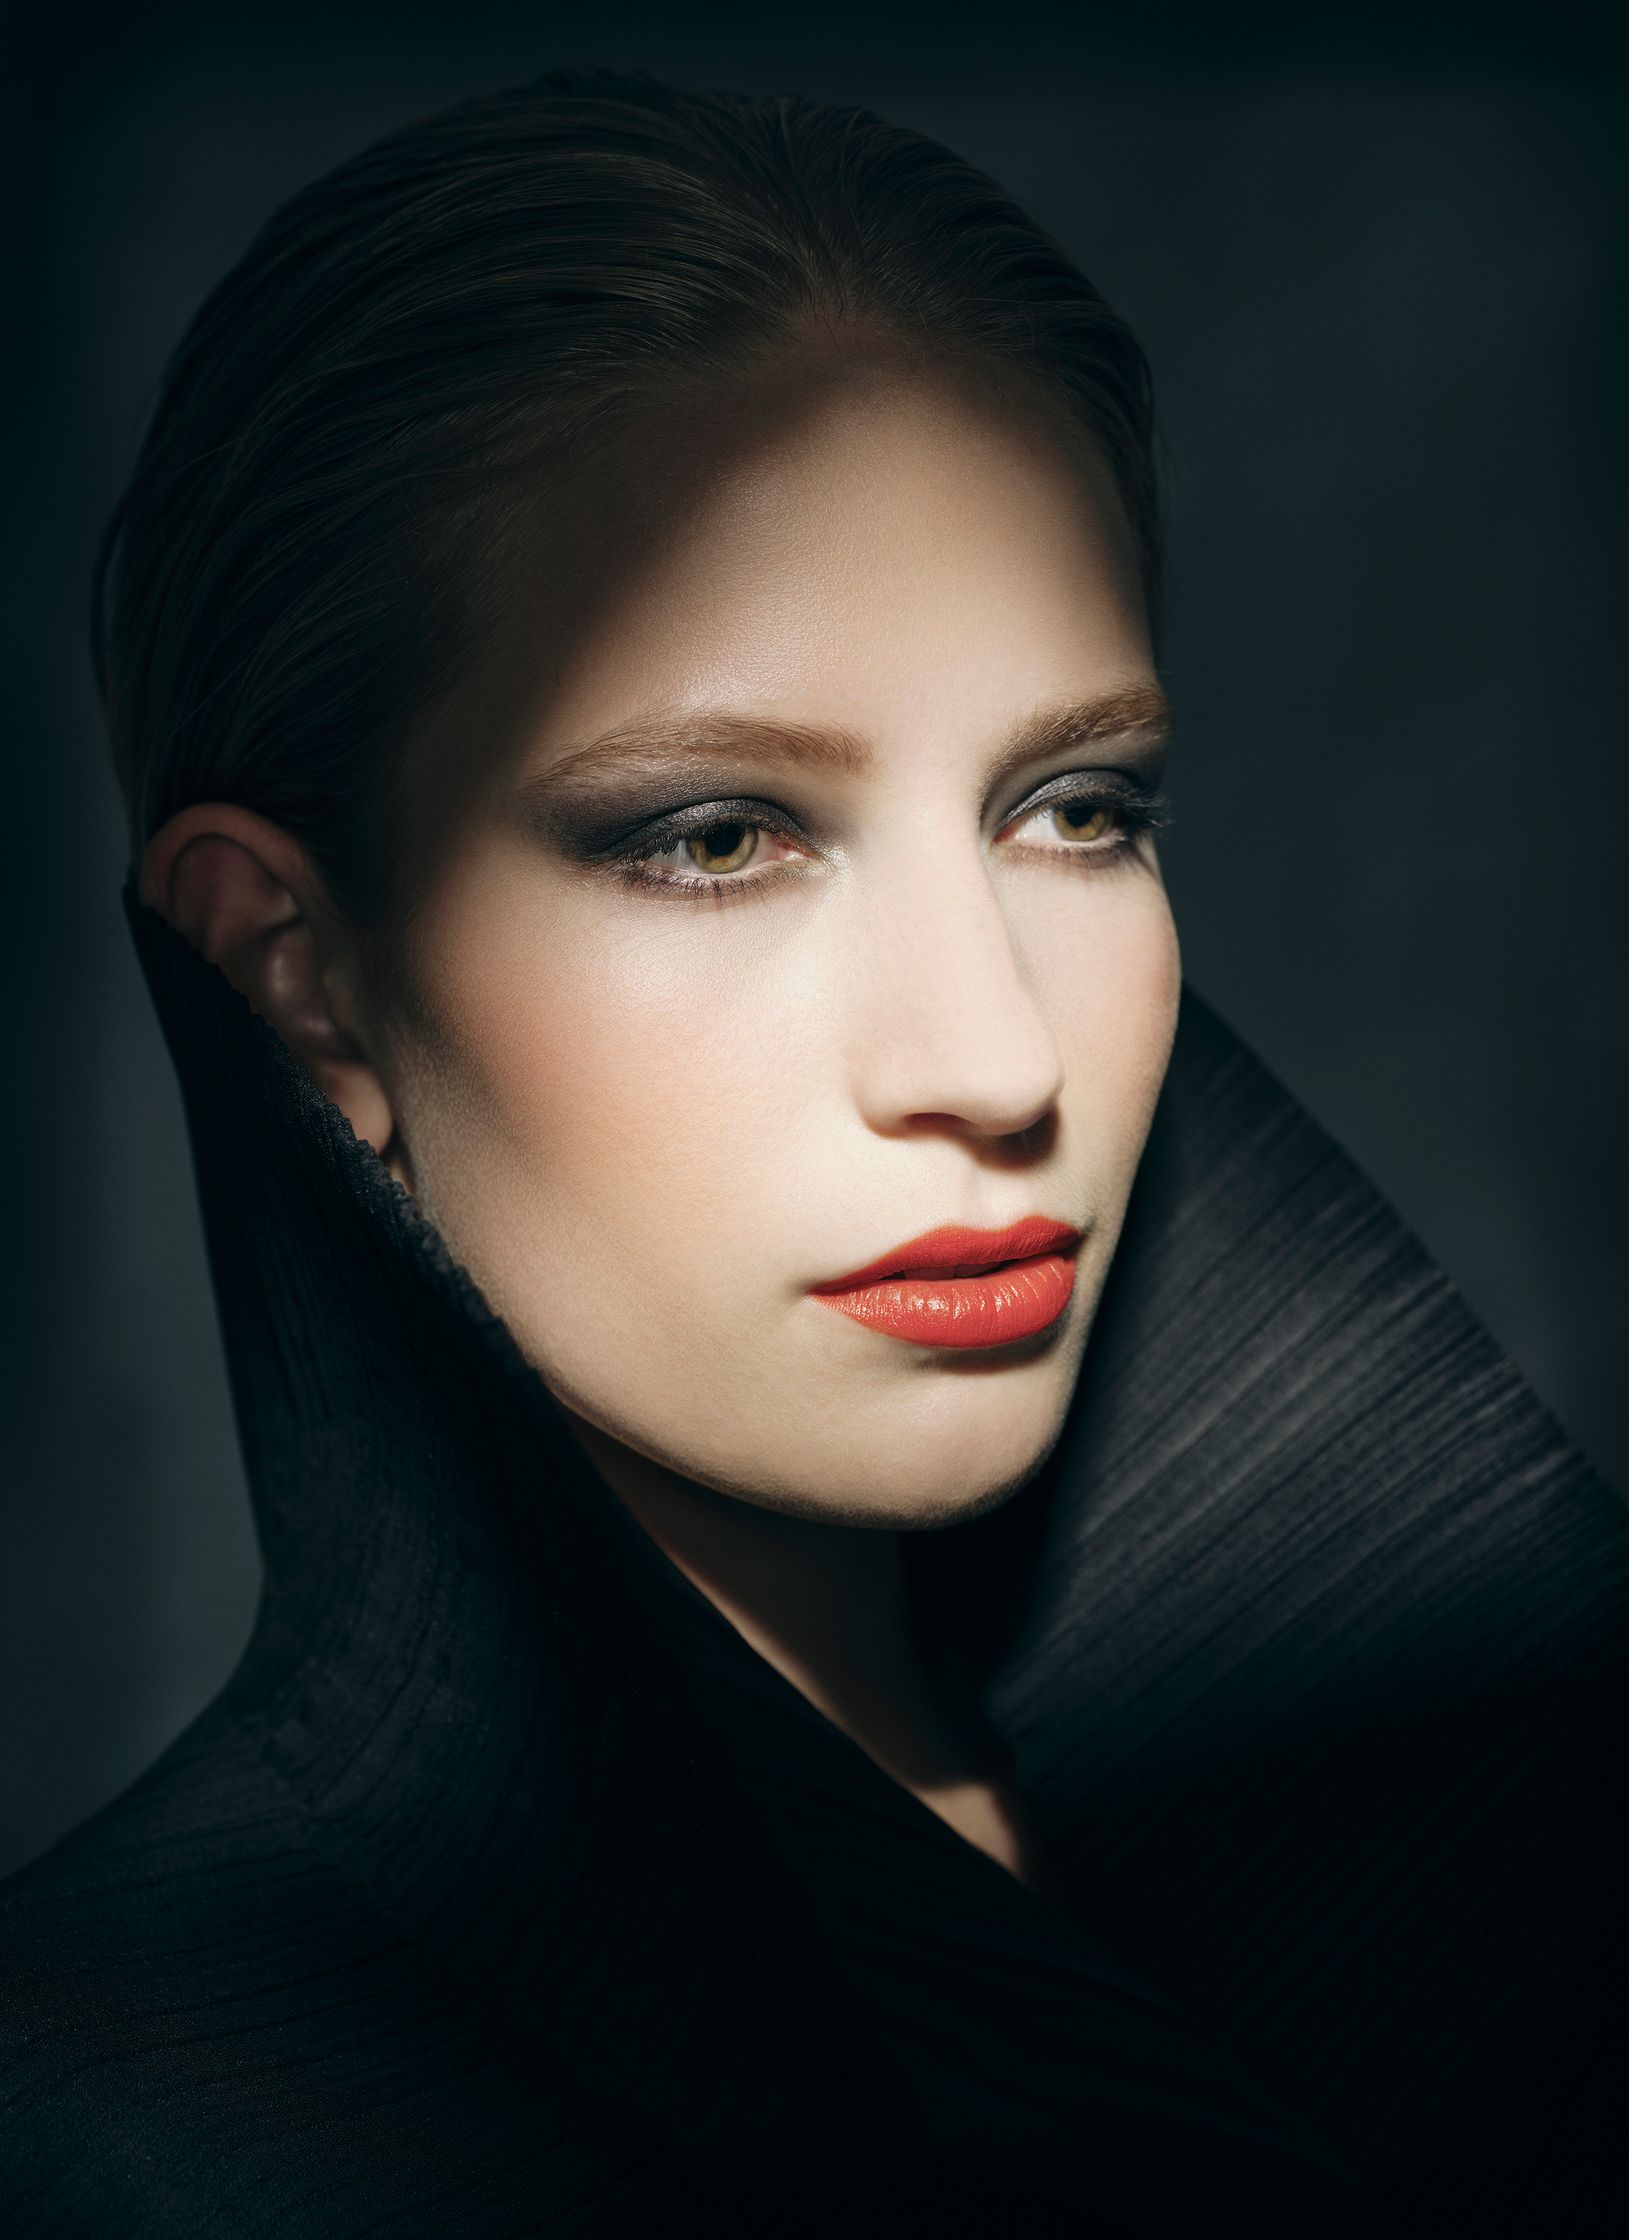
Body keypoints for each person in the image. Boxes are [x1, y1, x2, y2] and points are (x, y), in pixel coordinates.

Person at [0, 63, 1622, 2233]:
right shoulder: (106, 2122)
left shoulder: (1526, 1831)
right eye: (713, 836)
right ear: (297, 973)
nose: (988, 1053)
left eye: (1078, 808)